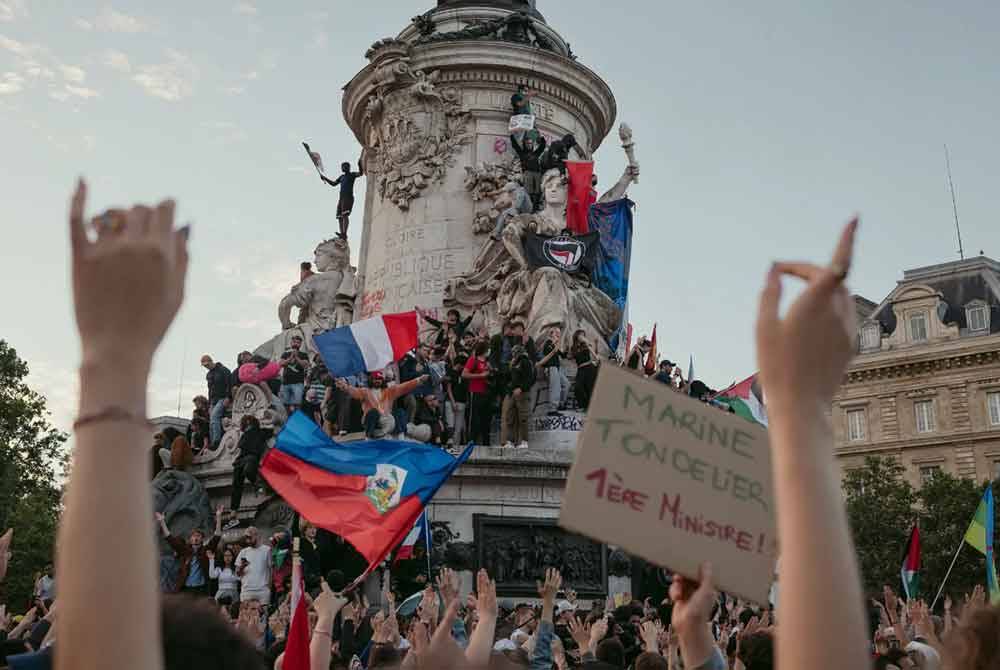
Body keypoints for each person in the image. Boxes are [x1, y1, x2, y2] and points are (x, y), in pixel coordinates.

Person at [337, 371, 429, 439]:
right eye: (375, 379)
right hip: (372, 422)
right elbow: (354, 391)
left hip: (387, 421)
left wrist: (419, 380)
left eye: (379, 379)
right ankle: (369, 436)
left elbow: (404, 387)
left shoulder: (390, 391)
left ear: (383, 380)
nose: (377, 381)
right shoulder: (364, 391)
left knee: (400, 412)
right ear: (371, 380)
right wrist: (345, 387)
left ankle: (400, 435)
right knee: (373, 412)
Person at [156, 506, 223, 595]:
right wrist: (162, 522)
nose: (196, 538)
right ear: (190, 539)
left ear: (202, 539)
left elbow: (217, 537)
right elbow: (170, 539)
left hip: (201, 589)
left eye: (198, 536)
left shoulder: (206, 550)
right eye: (193, 536)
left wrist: (218, 517)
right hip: (186, 588)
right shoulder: (185, 551)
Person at [228, 414, 269, 520]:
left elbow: (270, 432)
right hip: (242, 459)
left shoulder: (260, 431)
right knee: (236, 483)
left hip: (251, 457)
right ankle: (233, 509)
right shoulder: (246, 434)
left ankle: (257, 485)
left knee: (248, 471)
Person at [500, 344, 535, 449]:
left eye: (515, 352)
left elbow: (530, 378)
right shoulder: (513, 362)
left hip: (522, 393)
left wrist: (522, 388)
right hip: (512, 393)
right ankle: (509, 441)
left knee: (523, 418)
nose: (513, 353)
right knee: (509, 417)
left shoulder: (526, 362)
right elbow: (508, 377)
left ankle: (524, 441)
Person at [321, 161, 363, 239]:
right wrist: (325, 178)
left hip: (348, 197)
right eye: (342, 166)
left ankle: (344, 233)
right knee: (339, 216)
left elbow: (360, 173)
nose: (342, 168)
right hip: (341, 198)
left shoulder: (352, 175)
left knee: (345, 215)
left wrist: (359, 165)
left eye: (344, 166)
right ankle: (342, 233)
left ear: (348, 167)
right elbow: (333, 184)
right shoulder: (341, 177)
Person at [464, 341, 493, 446]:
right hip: (475, 392)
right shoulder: (473, 360)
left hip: (486, 393)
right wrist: (480, 376)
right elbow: (464, 374)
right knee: (474, 419)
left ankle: (486, 442)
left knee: (486, 419)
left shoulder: (487, 362)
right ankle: (471, 441)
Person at [235, 526, 272, 605]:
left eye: (249, 537)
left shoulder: (267, 550)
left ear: (256, 535)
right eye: (246, 538)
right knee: (245, 616)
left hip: (263, 591)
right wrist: (242, 567)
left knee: (264, 616)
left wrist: (269, 588)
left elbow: (271, 570)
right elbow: (237, 573)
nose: (247, 540)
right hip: (246, 591)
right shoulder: (243, 552)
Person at [537, 326, 569, 416]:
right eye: (556, 332)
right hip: (551, 368)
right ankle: (552, 409)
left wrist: (566, 349)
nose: (559, 334)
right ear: (551, 334)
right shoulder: (548, 343)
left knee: (566, 384)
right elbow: (547, 352)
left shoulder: (555, 344)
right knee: (555, 388)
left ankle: (561, 404)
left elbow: (563, 356)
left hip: (558, 368)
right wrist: (555, 343)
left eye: (559, 333)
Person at [201, 355, 231, 447]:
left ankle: (216, 441)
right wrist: (210, 404)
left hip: (222, 398)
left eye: (207, 364)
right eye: (204, 366)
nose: (206, 367)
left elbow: (229, 383)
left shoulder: (223, 370)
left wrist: (228, 397)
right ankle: (212, 442)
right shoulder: (209, 374)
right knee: (211, 421)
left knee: (214, 417)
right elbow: (210, 390)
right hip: (213, 400)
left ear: (211, 361)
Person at [511, 133, 546, 209]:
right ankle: (529, 206)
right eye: (527, 143)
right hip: (528, 174)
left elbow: (542, 146)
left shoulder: (536, 153)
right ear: (524, 144)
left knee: (537, 192)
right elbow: (515, 145)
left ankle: (536, 207)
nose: (529, 145)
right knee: (529, 192)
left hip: (537, 175)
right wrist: (512, 135)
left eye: (530, 143)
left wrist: (541, 137)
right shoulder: (522, 153)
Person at [278, 334, 310, 413]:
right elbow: (281, 364)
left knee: (298, 404)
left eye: (298, 342)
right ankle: (288, 420)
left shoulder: (304, 355)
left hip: (298, 383)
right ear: (291, 343)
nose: (296, 344)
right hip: (286, 383)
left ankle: (297, 420)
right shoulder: (285, 354)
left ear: (300, 344)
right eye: (294, 342)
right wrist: (290, 357)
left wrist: (297, 357)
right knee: (285, 404)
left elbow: (305, 365)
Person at [444, 353, 469, 446]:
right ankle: (450, 445)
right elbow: (449, 388)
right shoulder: (450, 372)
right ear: (459, 364)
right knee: (450, 424)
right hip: (451, 402)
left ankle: (456, 446)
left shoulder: (463, 374)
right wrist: (453, 402)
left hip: (462, 402)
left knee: (459, 427)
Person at [571, 330, 598, 410]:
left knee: (590, 388)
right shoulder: (573, 347)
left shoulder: (586, 344)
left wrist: (593, 344)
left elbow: (594, 353)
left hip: (590, 368)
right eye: (581, 335)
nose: (582, 336)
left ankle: (589, 408)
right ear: (577, 336)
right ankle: (583, 405)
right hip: (580, 369)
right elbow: (572, 355)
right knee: (578, 387)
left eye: (583, 335)